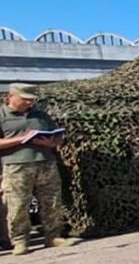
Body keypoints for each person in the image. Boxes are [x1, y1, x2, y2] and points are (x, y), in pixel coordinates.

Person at [0, 83, 79, 255]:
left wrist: (50, 142)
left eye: (31, 100)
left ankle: (53, 237)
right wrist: (22, 139)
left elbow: (58, 138)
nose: (28, 103)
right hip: (17, 167)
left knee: (51, 202)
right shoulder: (2, 115)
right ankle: (20, 241)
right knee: (18, 205)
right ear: (10, 97)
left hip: (46, 163)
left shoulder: (40, 115)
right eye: (24, 100)